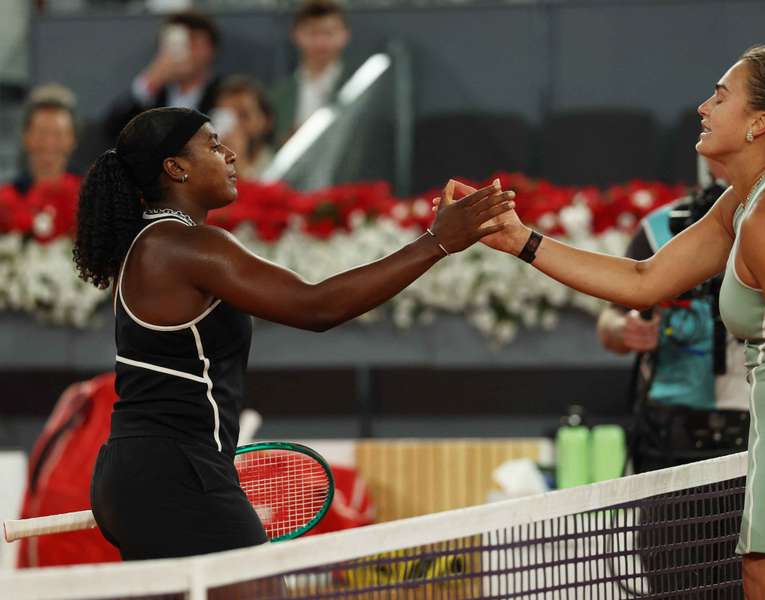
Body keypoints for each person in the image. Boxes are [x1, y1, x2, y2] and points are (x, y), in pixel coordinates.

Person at [466, 45, 765, 598]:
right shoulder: (764, 197)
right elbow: (644, 280)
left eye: (721, 96)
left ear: (758, 124)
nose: (703, 107)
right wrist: (520, 241)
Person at [74, 107, 514, 561]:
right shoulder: (186, 246)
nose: (229, 155)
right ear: (176, 167)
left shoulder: (149, 246)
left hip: (138, 474)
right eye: (212, 144)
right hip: (175, 474)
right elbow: (317, 306)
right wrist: (436, 242)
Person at [597, 158, 750, 474]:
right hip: (668, 428)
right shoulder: (658, 229)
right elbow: (609, 321)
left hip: (758, 421)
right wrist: (625, 329)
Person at [103, 10, 222, 142]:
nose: (185, 51)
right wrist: (151, 80)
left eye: (193, 42)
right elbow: (114, 131)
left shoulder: (224, 93)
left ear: (211, 49)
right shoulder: (154, 96)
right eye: (178, 44)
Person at [270, 0, 351, 145]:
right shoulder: (279, 96)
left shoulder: (356, 86)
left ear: (344, 35)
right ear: (296, 35)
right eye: (313, 33)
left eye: (329, 33)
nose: (321, 42)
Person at [6, 84, 78, 194]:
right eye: (41, 133)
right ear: (26, 137)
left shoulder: (94, 197)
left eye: (58, 134)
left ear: (72, 139)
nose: (49, 143)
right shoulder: (6, 200)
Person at [210, 75, 275, 180]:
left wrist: (240, 162)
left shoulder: (279, 167)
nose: (233, 127)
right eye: (226, 117)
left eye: (243, 116)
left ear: (266, 121)